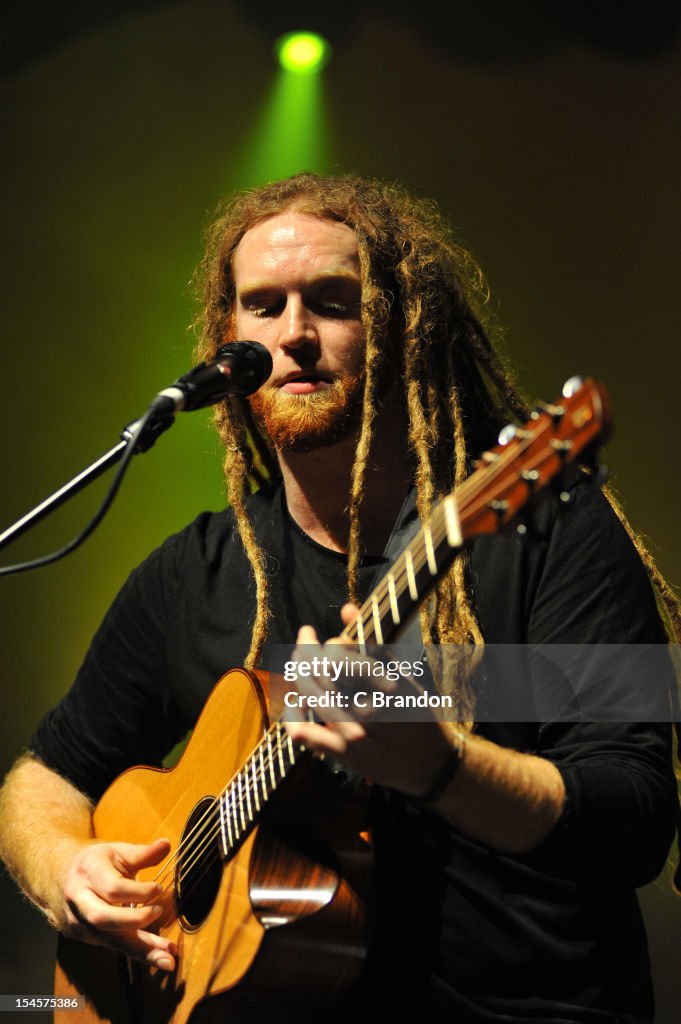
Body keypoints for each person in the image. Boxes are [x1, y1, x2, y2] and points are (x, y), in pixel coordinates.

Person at [0, 172, 679, 1023]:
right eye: (262, 306)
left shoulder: (548, 531)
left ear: (403, 330)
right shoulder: (196, 572)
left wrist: (440, 767)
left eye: (332, 301)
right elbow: (43, 775)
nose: (294, 335)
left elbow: (637, 819)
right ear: (225, 339)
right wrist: (65, 871)